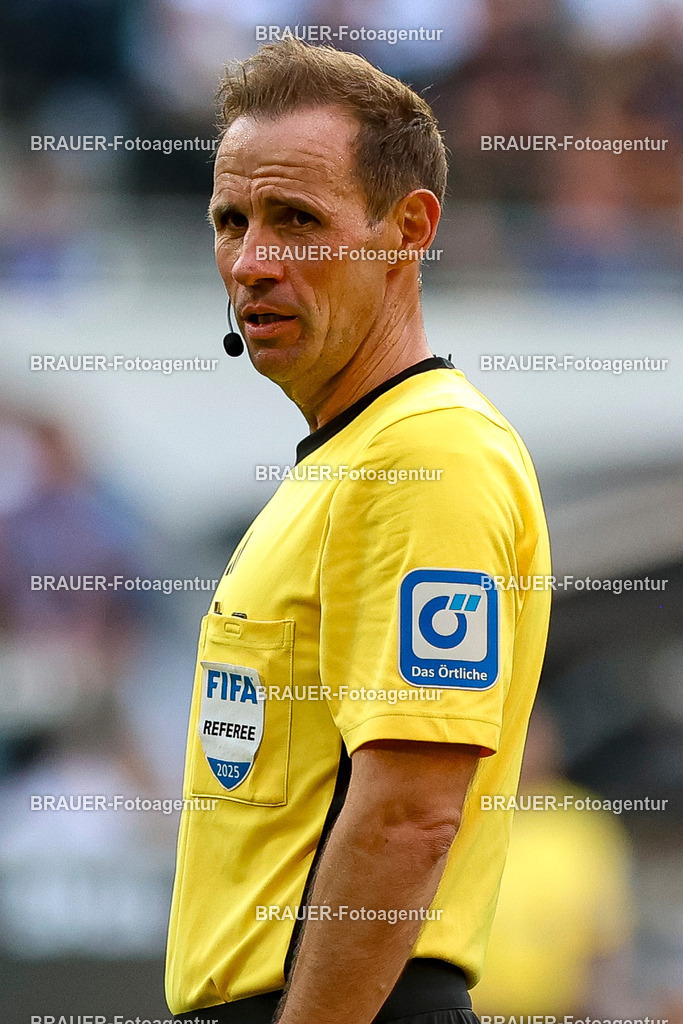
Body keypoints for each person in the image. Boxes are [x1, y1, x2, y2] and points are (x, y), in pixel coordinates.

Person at [165, 39, 551, 1024]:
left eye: (295, 219)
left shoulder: (427, 457)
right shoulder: (349, 459)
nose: (250, 262)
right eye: (231, 220)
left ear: (405, 229)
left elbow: (411, 814)